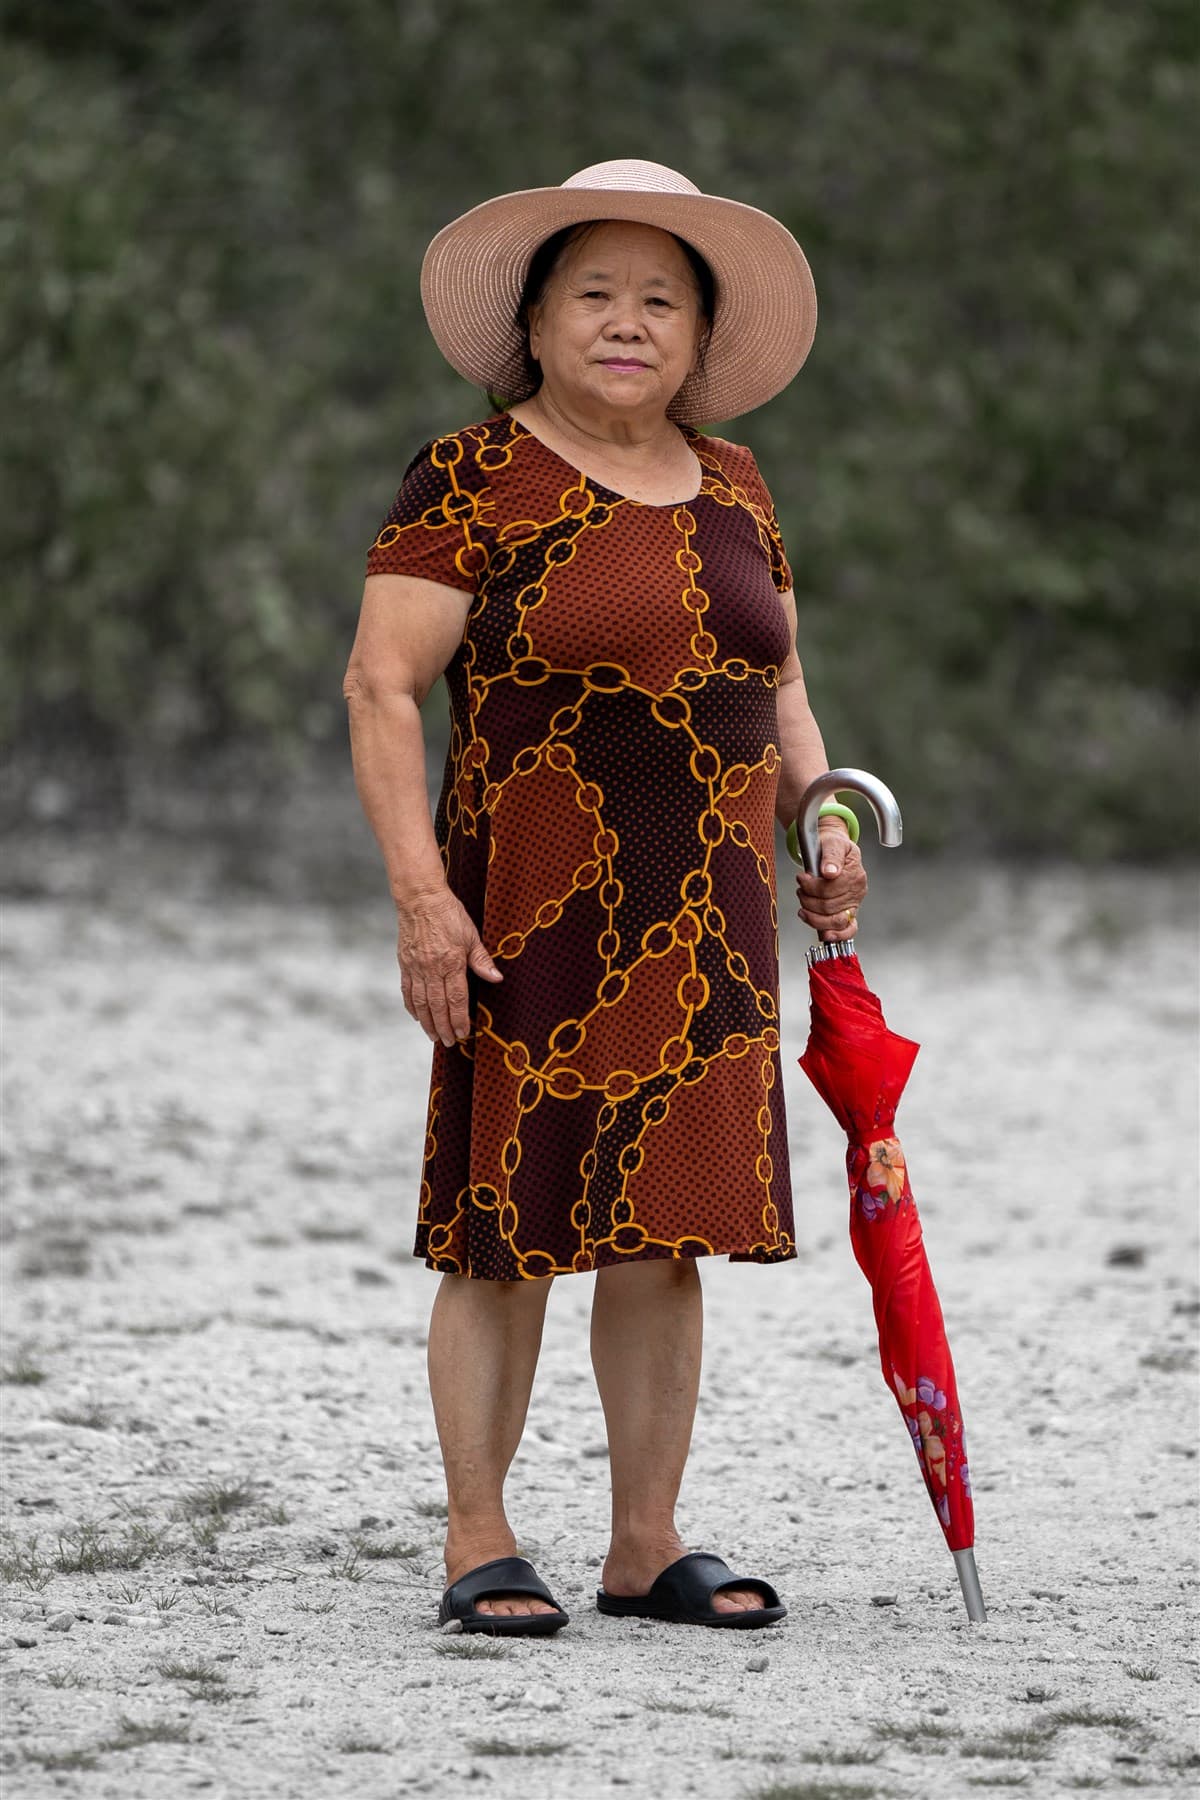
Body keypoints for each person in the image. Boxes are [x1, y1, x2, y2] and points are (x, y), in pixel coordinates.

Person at [343, 159, 868, 1636]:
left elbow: (781, 687)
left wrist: (819, 820)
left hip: (706, 920)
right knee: (508, 1230)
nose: (627, 322)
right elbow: (382, 687)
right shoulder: (472, 477)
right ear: (536, 320)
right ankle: (478, 1537)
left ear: (700, 337)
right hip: (526, 908)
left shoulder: (740, 483)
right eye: (596, 293)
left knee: (663, 1229)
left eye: (661, 299)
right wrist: (418, 900)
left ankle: (646, 1548)